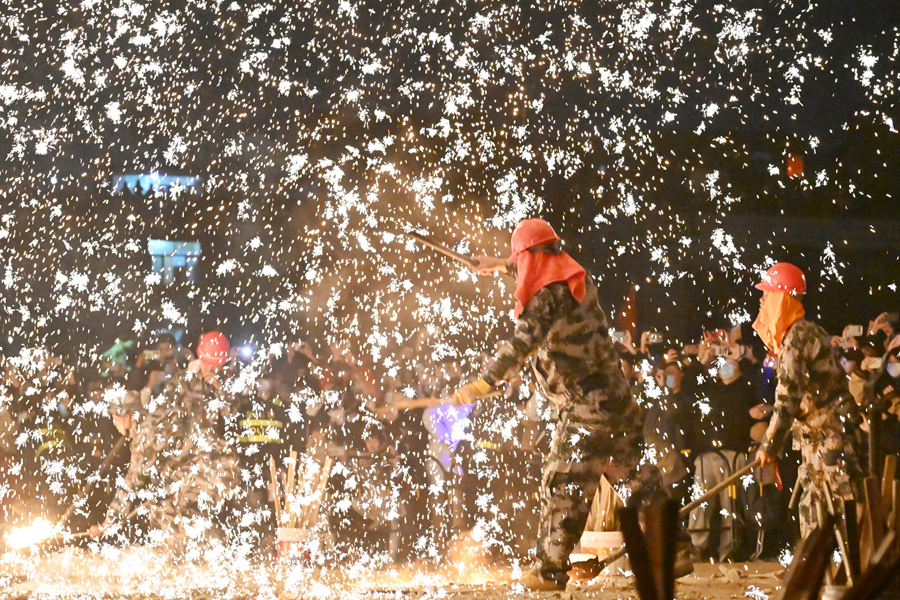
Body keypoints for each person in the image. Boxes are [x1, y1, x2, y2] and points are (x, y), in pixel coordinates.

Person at [454, 218, 660, 591]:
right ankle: (674, 549)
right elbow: (535, 266)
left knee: (562, 482)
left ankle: (550, 569)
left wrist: (484, 382)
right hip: (617, 402)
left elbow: (522, 343)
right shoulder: (573, 279)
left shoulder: (544, 295)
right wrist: (497, 264)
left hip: (585, 408)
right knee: (634, 477)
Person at [91, 331, 241, 554]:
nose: (114, 425)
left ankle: (184, 556)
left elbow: (132, 481)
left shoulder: (145, 430)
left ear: (127, 416)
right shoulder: (167, 404)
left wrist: (108, 522)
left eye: (115, 418)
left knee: (163, 506)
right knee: (165, 501)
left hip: (208, 472)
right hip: (213, 469)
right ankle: (198, 554)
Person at [752, 262, 862, 539]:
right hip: (819, 436)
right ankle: (816, 575)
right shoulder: (806, 332)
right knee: (813, 507)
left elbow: (787, 395)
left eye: (767, 294)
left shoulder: (798, 337)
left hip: (831, 437)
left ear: (782, 298)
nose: (762, 300)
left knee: (844, 507)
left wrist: (770, 445)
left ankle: (861, 575)